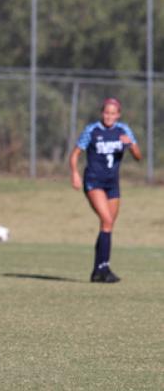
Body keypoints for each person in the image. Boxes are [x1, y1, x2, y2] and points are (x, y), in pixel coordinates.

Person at [70, 97, 142, 283]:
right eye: (106, 113)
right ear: (102, 113)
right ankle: (104, 269)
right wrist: (75, 174)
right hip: (94, 182)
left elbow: (138, 157)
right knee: (107, 220)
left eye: (113, 113)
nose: (109, 116)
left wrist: (131, 144)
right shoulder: (92, 130)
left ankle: (98, 271)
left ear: (118, 114)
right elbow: (75, 154)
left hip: (112, 185)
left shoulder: (123, 130)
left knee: (107, 226)